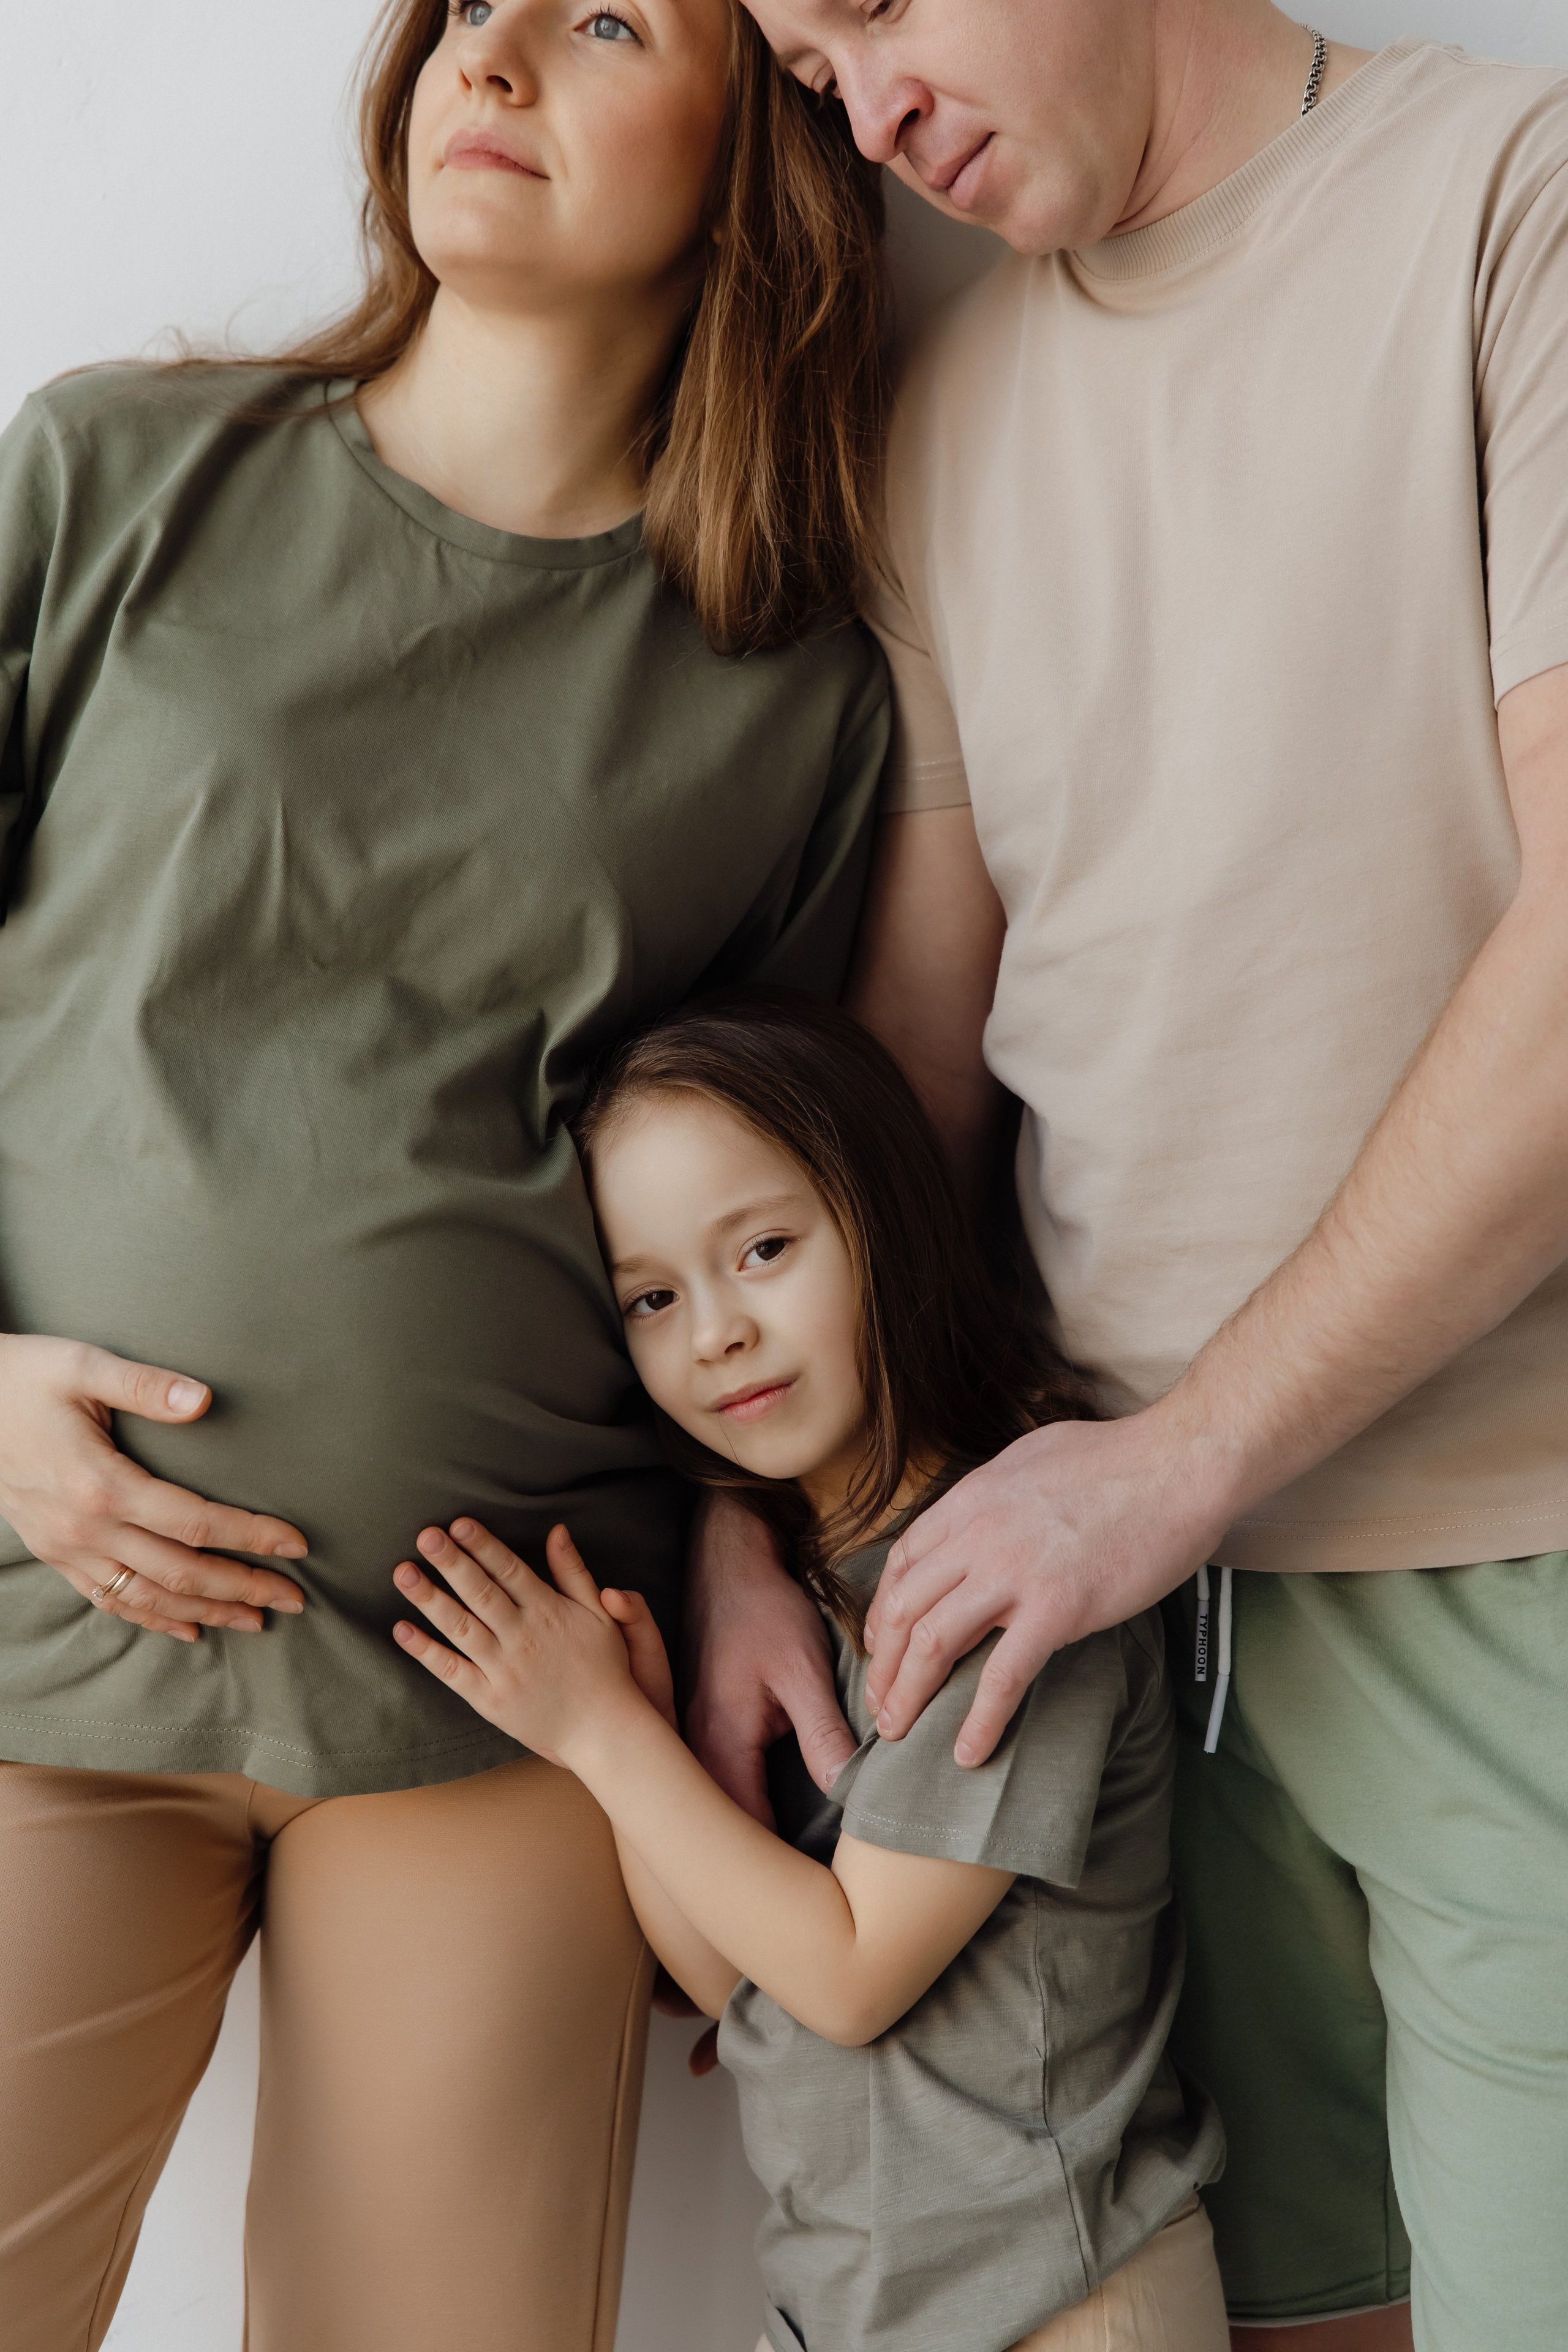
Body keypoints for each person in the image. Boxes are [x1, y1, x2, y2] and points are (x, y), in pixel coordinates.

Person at [0, 3, 891, 2345]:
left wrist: (730, 1550)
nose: (492, 53)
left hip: (502, 1692)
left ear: (753, 163)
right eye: (470, 3)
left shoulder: (795, 683)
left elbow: (781, 1217)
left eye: (603, 21)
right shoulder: (114, 475)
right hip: (43, 1640)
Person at [682, 6, 1568, 2350]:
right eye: (803, 70)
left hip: (1512, 1552)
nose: (861, 113)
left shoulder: (1513, 195)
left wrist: (1172, 1466)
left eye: (869, 8)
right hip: (1107, 1650)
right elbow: (908, 1080)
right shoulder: (946, 406)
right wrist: (742, 1520)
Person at [390, 991, 1229, 2352]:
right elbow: (733, 1980)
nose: (712, 1331)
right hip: (849, 2310)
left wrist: (605, 1737)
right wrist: (643, 1738)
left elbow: (847, 1979)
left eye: (764, 1249)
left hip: (1061, 2305)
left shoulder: (1004, 1584)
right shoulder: (792, 1599)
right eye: (653, 1297)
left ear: (885, 1226)